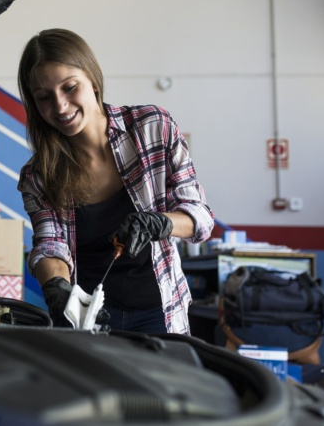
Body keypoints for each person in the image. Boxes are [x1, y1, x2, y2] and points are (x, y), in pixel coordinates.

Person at [16, 28, 214, 334]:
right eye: (44, 97)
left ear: (92, 81)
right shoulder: (39, 175)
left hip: (159, 312)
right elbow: (50, 244)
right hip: (86, 320)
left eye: (70, 87)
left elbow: (199, 217)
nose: (60, 106)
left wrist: (159, 222)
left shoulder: (152, 128)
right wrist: (55, 286)